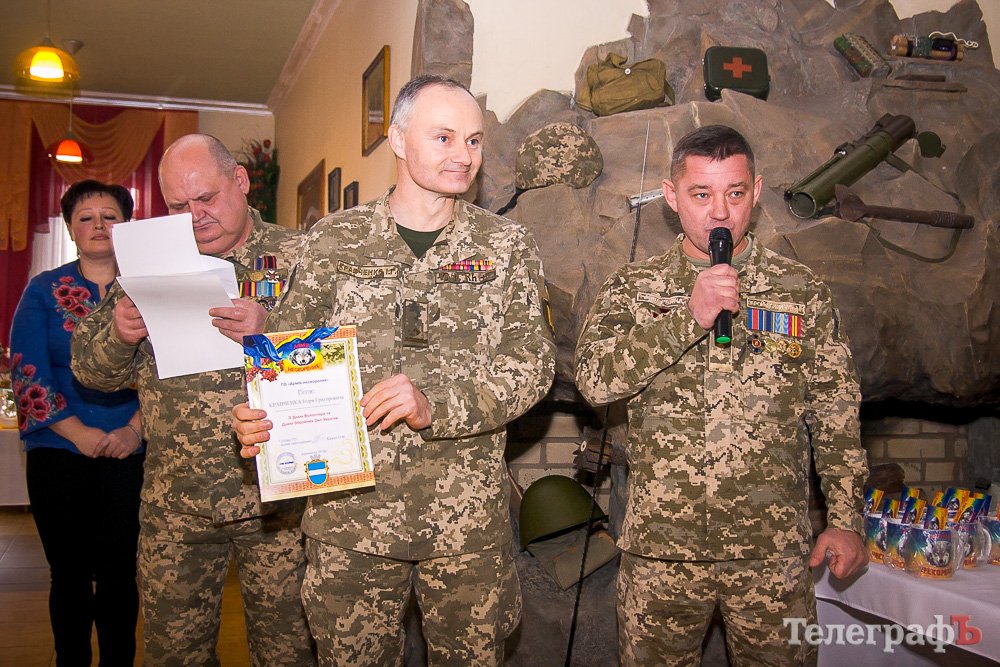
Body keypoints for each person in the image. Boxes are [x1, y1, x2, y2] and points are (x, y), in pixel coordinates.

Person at [232, 75, 555, 665]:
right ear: (399, 140)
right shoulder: (334, 241)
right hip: (350, 521)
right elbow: (283, 357)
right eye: (444, 137)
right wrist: (260, 419)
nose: (464, 155)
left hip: (464, 525)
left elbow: (532, 365)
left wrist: (438, 406)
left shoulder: (506, 246)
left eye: (474, 140)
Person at [574, 125, 869, 666]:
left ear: (756, 192)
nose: (719, 212)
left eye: (734, 193)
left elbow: (835, 415)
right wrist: (687, 318)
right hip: (662, 552)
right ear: (671, 196)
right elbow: (595, 380)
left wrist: (846, 518)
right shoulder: (631, 290)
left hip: (771, 555)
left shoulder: (800, 292)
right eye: (701, 193)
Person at [71, 135, 315, 666]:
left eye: (206, 198)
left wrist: (275, 330)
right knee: (173, 654)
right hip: (176, 503)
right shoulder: (150, 264)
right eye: (178, 205)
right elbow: (90, 372)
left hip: (279, 502)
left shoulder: (301, 257)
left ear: (241, 181)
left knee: (289, 653)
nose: (195, 216)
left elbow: (349, 357)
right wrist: (120, 333)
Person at [10, 180, 145, 666]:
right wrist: (78, 433)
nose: (99, 226)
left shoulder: (150, 288)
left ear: (127, 226)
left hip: (132, 449)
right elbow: (27, 370)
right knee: (67, 573)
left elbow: (169, 372)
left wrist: (134, 431)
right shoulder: (42, 290)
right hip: (58, 452)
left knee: (119, 573)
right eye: (86, 218)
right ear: (70, 229)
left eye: (110, 216)